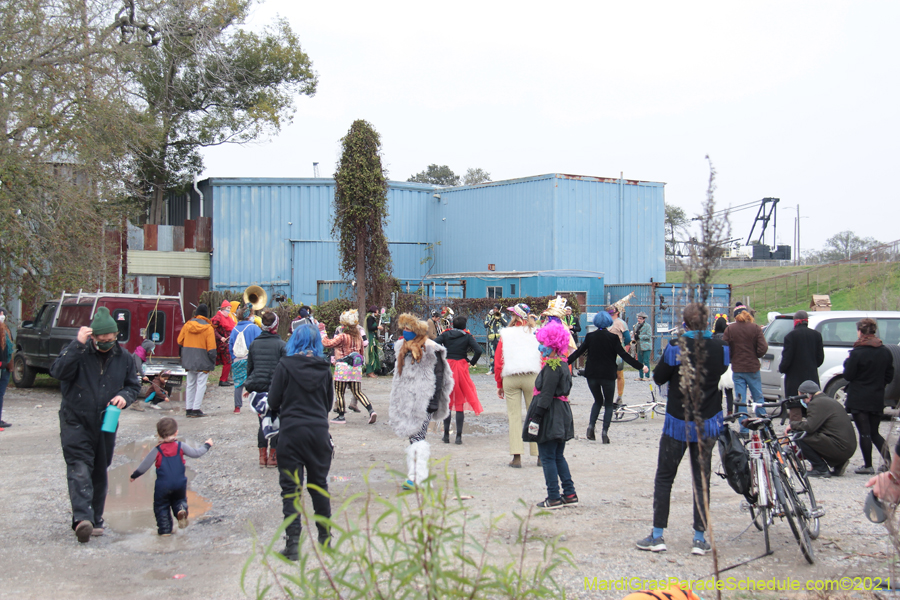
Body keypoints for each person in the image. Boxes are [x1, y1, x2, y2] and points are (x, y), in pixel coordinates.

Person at [636, 303, 728, 556]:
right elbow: (723, 372)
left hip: (678, 421)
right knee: (702, 480)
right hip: (706, 421)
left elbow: (659, 378)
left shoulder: (676, 348)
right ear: (708, 322)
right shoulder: (721, 348)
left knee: (665, 477)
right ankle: (699, 538)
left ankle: (657, 535)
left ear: (684, 324)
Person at [50, 307, 141, 542]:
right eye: (101, 340)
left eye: (110, 340)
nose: (106, 344)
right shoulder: (77, 352)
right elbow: (58, 372)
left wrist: (125, 397)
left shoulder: (125, 358)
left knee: (100, 470)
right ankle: (83, 519)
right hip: (75, 420)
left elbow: (133, 385)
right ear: (92, 337)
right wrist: (77, 346)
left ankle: (96, 519)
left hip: (106, 421)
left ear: (115, 336)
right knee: (79, 467)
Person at [267, 324, 335, 558]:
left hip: (291, 432)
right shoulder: (325, 369)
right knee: (319, 485)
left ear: (294, 340)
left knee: (291, 490)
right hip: (318, 433)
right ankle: (325, 539)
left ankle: (293, 545)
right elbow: (328, 405)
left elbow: (274, 401)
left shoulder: (285, 366)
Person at [388, 313, 452, 488]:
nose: (405, 332)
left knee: (418, 436)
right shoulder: (403, 348)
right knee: (413, 436)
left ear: (417, 331)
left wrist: (434, 400)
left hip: (424, 400)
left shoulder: (431, 349)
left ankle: (418, 478)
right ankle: (416, 476)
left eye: (408, 329)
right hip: (407, 399)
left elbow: (440, 376)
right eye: (404, 329)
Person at [521, 317, 577, 508]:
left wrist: (536, 417)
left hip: (550, 415)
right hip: (561, 413)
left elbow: (546, 395)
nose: (540, 348)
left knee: (547, 456)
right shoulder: (563, 363)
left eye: (543, 344)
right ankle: (569, 493)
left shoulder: (553, 366)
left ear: (553, 344)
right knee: (558, 455)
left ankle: (553, 496)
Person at [568, 311, 648, 444]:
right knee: (609, 404)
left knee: (598, 401)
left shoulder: (590, 336)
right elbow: (624, 355)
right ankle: (605, 432)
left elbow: (578, 352)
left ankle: (591, 426)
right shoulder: (613, 338)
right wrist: (640, 366)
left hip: (592, 374)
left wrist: (564, 362)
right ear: (608, 323)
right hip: (608, 374)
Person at [129, 417, 213, 535]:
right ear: (176, 432)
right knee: (179, 500)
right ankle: (181, 510)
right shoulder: (180, 446)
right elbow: (196, 453)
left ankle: (165, 530)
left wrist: (134, 475)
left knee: (161, 506)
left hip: (163, 485)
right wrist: (207, 445)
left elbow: (145, 465)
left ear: (158, 434)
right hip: (180, 483)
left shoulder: (157, 450)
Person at [844, 318, 895, 475]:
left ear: (860, 332)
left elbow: (848, 375)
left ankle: (867, 465)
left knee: (864, 432)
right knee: (875, 432)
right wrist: (878, 384)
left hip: (859, 397)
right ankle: (889, 462)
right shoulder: (885, 351)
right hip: (876, 396)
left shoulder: (857, 353)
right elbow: (889, 375)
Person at [494, 303, 542, 468]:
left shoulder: (506, 334)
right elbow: (542, 355)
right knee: (534, 415)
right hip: (532, 376)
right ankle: (539, 455)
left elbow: (499, 361)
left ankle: (516, 457)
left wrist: (499, 383)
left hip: (511, 376)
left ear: (514, 316)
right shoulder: (536, 333)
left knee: (514, 417)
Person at [787, 380, 857, 477]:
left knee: (799, 435)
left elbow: (810, 427)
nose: (802, 401)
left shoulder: (816, 403)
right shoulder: (828, 400)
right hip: (846, 447)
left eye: (801, 397)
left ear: (806, 395)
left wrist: (792, 425)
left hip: (840, 447)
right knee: (815, 435)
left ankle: (820, 468)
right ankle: (838, 463)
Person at [245, 311, 286, 468]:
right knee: (276, 421)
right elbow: (285, 369)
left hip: (258, 388)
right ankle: (273, 457)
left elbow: (250, 368)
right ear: (276, 325)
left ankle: (262, 457)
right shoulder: (281, 345)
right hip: (275, 389)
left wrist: (249, 386)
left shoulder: (254, 344)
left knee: (263, 421)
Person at [434, 315, 483, 444]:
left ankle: (445, 436)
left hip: (448, 365)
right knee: (460, 401)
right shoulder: (467, 336)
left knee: (447, 400)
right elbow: (478, 350)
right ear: (464, 326)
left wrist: (441, 357)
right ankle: (459, 437)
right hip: (461, 366)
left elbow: (434, 344)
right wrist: (471, 362)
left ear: (452, 324)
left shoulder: (446, 334)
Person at [323, 309, 377, 424]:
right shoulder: (358, 337)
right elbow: (362, 351)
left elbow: (328, 343)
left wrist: (322, 332)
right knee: (358, 392)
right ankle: (371, 410)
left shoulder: (342, 336)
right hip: (355, 367)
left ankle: (341, 415)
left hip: (342, 367)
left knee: (339, 391)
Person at [723, 305, 768, 431]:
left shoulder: (730, 329)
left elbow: (725, 348)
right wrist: (756, 355)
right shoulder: (755, 328)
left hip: (738, 368)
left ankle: (744, 429)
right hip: (753, 367)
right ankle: (763, 425)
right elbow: (763, 348)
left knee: (741, 399)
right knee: (758, 396)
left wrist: (732, 358)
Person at [177, 304, 217, 418]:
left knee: (190, 384)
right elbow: (211, 349)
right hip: (203, 360)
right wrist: (213, 359)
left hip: (189, 359)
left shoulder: (187, 325)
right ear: (206, 315)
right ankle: (196, 408)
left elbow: (179, 341)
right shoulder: (208, 328)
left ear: (196, 314)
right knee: (201, 385)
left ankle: (188, 408)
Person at [778, 310, 825, 397]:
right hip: (811, 376)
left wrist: (782, 368)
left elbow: (787, 358)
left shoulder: (790, 336)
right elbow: (820, 358)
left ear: (795, 321)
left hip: (794, 378)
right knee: (811, 404)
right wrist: (812, 365)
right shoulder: (816, 335)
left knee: (795, 406)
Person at [229, 304, 262, 414]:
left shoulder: (234, 329)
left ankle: (237, 407)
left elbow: (230, 346)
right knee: (255, 382)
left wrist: (233, 358)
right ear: (250, 316)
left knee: (238, 384)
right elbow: (259, 343)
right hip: (251, 359)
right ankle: (257, 404)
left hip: (237, 359)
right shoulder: (254, 328)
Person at [606, 305, 632, 405]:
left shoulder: (621, 323)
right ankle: (608, 396)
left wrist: (625, 349)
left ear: (617, 312)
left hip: (617, 351)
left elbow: (627, 338)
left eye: (612, 311)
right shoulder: (605, 322)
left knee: (619, 374)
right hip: (606, 350)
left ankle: (620, 396)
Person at [711, 315, 734, 416]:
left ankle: (718, 410)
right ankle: (730, 411)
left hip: (716, 366)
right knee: (729, 391)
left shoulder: (712, 337)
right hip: (727, 365)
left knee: (718, 390)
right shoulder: (728, 337)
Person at [211, 300, 235, 387]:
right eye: (228, 308)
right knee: (227, 361)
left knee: (227, 361)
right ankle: (223, 380)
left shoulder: (227, 317)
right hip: (221, 343)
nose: (229, 310)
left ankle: (224, 379)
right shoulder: (218, 318)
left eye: (230, 308)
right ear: (223, 308)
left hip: (226, 343)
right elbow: (212, 329)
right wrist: (221, 337)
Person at [483, 303, 507, 374]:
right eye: (494, 308)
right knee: (492, 354)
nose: (494, 310)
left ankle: (501, 369)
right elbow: (486, 325)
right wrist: (492, 317)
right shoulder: (489, 315)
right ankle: (491, 369)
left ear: (499, 309)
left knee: (501, 353)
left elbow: (506, 324)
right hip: (492, 337)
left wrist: (499, 317)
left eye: (496, 309)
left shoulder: (503, 315)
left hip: (500, 338)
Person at [0, 308, 14, 428]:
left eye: (3, 314)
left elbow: (10, 348)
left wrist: (9, 365)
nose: (2, 316)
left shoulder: (6, 329)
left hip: (5, 367)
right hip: (1, 366)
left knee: (1, 394)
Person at [364, 306, 383, 378]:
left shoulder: (373, 318)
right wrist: (377, 327)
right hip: (370, 338)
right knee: (371, 353)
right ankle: (369, 371)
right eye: (377, 311)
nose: (378, 312)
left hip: (374, 337)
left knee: (374, 353)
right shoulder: (369, 318)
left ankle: (373, 370)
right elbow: (370, 328)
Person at [632, 312, 652, 379]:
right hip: (639, 346)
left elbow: (649, 336)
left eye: (640, 319)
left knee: (646, 361)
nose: (638, 320)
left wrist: (639, 336)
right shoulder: (636, 326)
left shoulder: (648, 326)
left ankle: (647, 376)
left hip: (646, 346)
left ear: (644, 319)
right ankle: (641, 376)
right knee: (640, 361)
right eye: (638, 318)